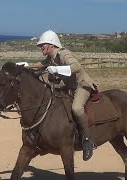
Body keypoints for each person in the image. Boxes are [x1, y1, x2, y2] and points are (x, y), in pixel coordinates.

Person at [37, 30, 96, 161]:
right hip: (69, 87)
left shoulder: (63, 54)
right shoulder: (50, 59)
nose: (41, 47)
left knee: (77, 109)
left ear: (51, 45)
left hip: (82, 85)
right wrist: (22, 66)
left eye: (43, 44)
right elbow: (38, 66)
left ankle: (87, 140)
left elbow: (76, 67)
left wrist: (56, 69)